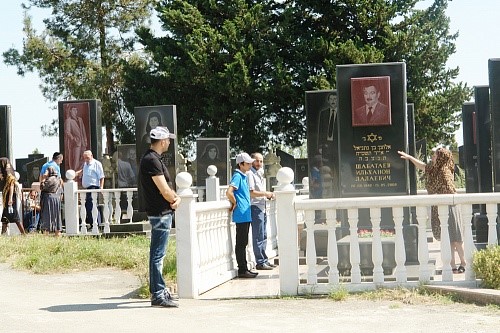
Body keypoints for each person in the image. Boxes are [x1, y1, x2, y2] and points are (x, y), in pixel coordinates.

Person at [398, 148, 466, 273]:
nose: (433, 157)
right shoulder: (434, 169)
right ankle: (452, 266)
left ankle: (463, 262)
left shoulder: (444, 171)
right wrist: (409, 157)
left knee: (456, 238)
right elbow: (422, 166)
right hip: (439, 206)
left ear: (440, 157)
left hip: (449, 207)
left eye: (435, 155)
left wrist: (436, 194)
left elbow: (450, 190)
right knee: (448, 238)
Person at [139, 126, 180, 308]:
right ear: (162, 141)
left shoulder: (153, 158)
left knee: (158, 255)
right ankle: (157, 294)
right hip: (160, 212)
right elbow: (163, 189)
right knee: (158, 256)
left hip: (161, 211)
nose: (170, 142)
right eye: (168, 139)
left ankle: (160, 291)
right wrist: (175, 199)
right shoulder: (151, 160)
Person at [226, 152, 259, 278]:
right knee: (241, 243)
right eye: (248, 163)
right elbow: (229, 192)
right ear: (241, 164)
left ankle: (244, 268)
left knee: (243, 242)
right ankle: (242, 269)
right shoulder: (238, 176)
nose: (250, 165)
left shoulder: (244, 176)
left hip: (245, 213)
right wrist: (234, 203)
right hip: (241, 213)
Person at [248, 152, 275, 270]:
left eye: (261, 161)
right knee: (258, 236)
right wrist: (266, 193)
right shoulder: (250, 174)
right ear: (252, 161)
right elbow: (252, 192)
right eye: (257, 161)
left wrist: (268, 196)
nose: (259, 163)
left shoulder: (260, 173)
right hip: (255, 207)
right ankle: (259, 262)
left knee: (264, 235)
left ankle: (264, 259)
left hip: (262, 206)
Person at [75, 150, 105, 228]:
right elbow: (84, 171)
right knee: (88, 207)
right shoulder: (85, 164)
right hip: (87, 189)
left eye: (87, 158)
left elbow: (101, 176)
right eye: (84, 158)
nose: (86, 160)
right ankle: (92, 223)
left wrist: (101, 187)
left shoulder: (97, 164)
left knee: (92, 206)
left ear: (92, 156)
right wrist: (76, 173)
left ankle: (97, 224)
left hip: (94, 187)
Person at [1, 157, 26, 235]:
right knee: (5, 217)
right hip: (6, 196)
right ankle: (2, 234)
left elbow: (11, 186)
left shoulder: (9, 173)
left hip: (10, 197)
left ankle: (24, 234)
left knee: (15, 217)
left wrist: (10, 199)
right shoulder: (4, 173)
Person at [39, 166, 63, 236]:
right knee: (56, 216)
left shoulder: (51, 179)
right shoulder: (58, 179)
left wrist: (43, 179)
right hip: (55, 199)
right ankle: (57, 232)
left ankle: (47, 232)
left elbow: (42, 187)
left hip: (49, 199)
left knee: (47, 215)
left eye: (47, 170)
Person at [64, 106, 88, 171]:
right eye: (74, 110)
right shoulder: (69, 120)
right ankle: (74, 175)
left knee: (83, 159)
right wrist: (73, 139)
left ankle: (79, 173)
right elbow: (67, 132)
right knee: (75, 161)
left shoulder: (80, 119)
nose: (75, 112)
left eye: (76, 110)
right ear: (70, 111)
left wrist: (85, 141)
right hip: (74, 144)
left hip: (82, 142)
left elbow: (83, 131)